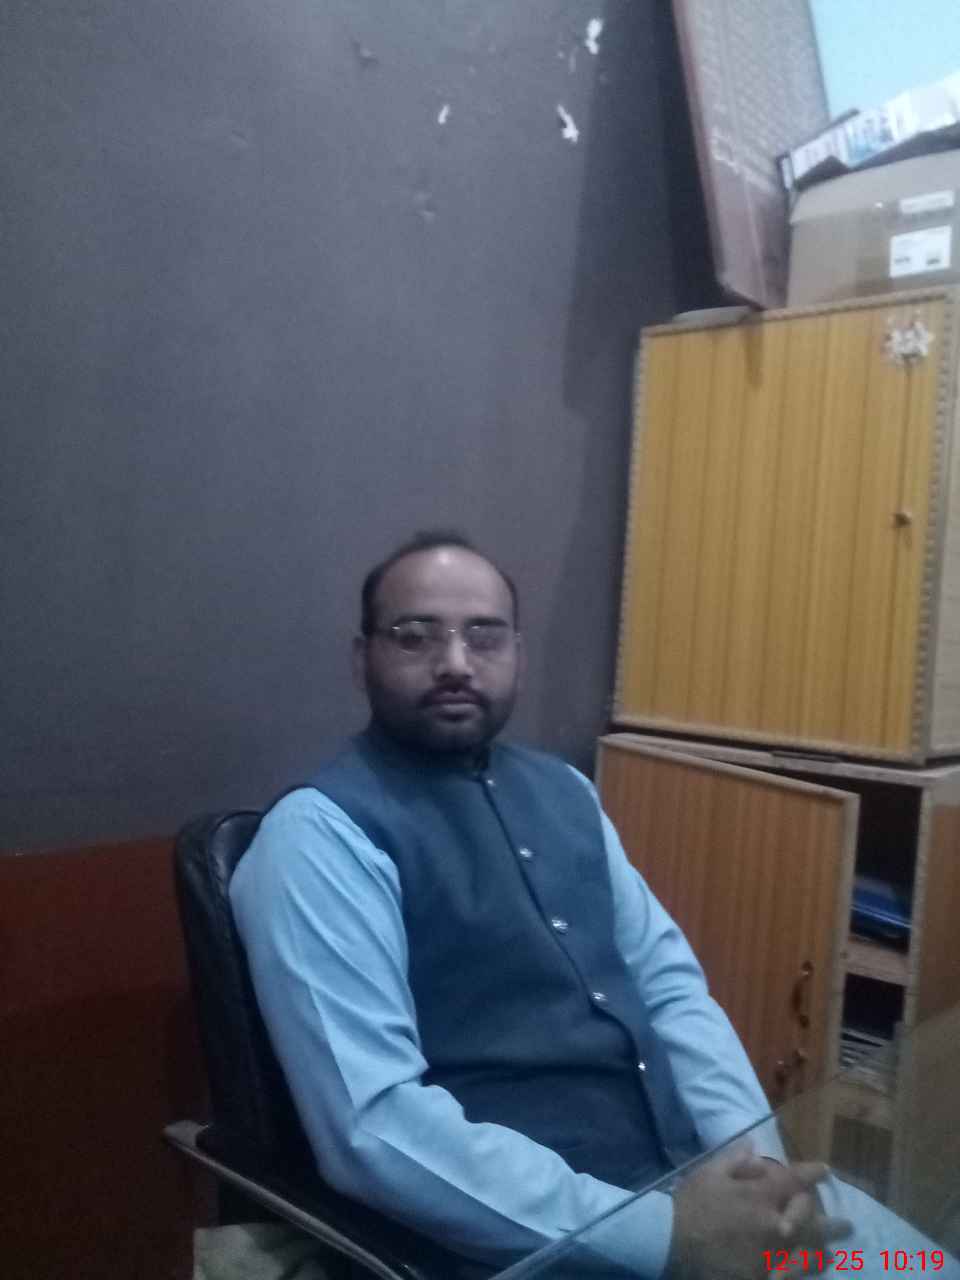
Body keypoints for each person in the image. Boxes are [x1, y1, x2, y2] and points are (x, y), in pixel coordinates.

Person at [228, 532, 855, 1279]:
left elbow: (670, 992)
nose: (456, 662)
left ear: (518, 655)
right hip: (542, 1243)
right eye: (415, 635)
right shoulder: (318, 837)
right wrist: (667, 1237)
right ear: (361, 659)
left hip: (694, 1188)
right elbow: (374, 1126)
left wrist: (761, 1177)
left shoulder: (567, 792)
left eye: (484, 636)